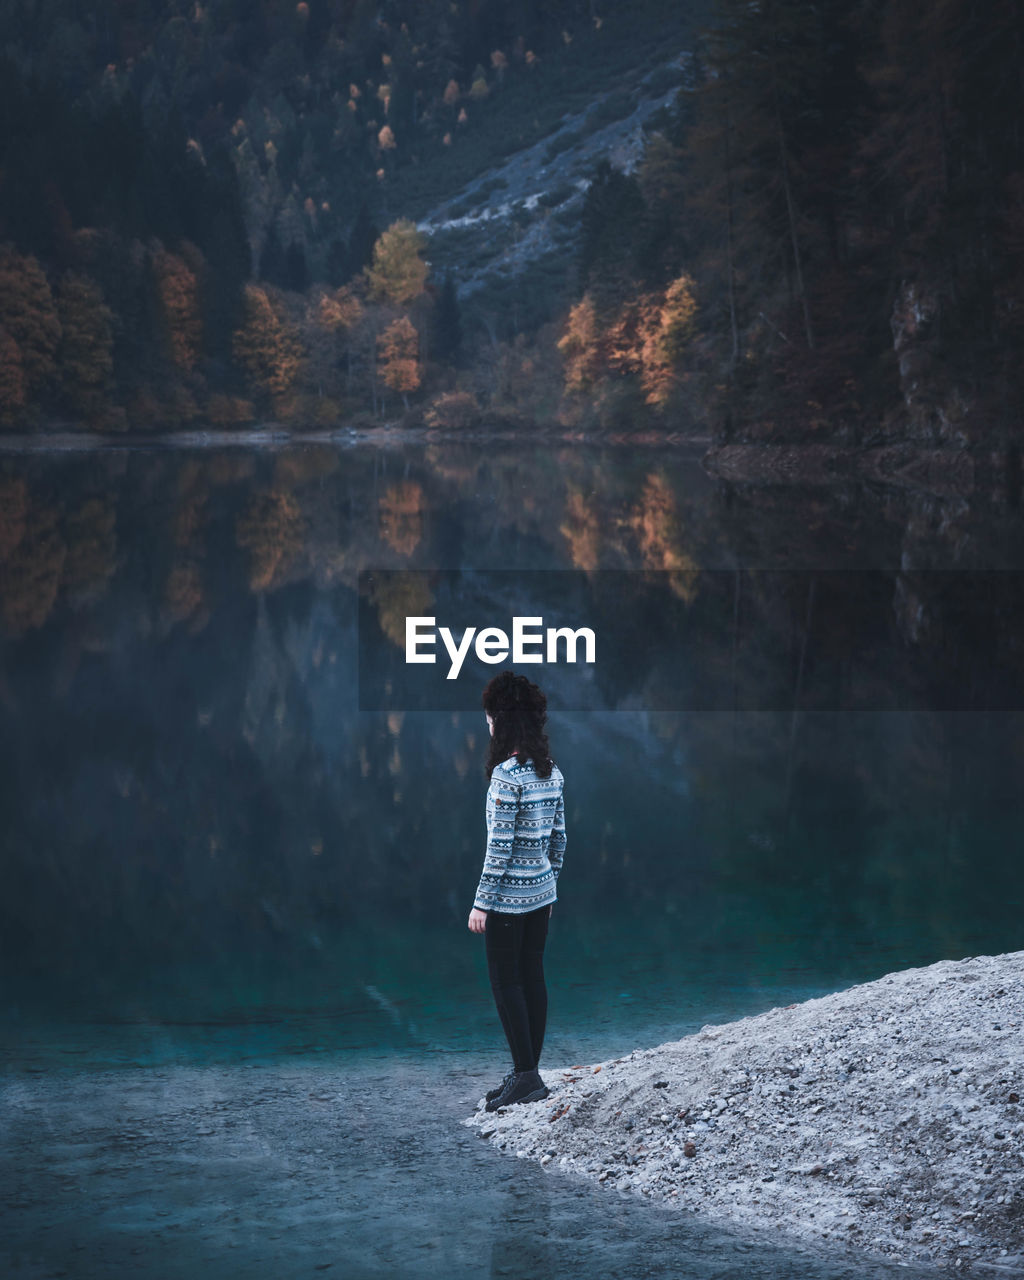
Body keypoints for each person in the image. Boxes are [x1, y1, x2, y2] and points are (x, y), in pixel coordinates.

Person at [467, 669, 566, 1112]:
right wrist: (551, 887)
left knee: (505, 982)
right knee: (532, 977)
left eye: (490, 718)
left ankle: (526, 1077)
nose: (487, 724)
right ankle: (526, 1071)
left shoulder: (506, 777)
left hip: (507, 901)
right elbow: (559, 839)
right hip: (541, 895)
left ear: (503, 722)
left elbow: (499, 849)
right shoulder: (551, 772)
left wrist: (480, 904)